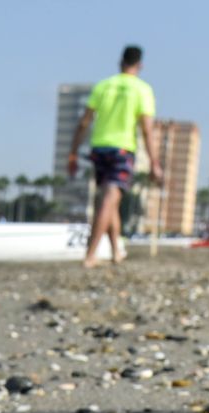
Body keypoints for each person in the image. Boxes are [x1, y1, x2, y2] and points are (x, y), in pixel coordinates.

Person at [67, 45, 161, 268]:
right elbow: (147, 130)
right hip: (122, 149)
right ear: (140, 65)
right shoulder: (142, 89)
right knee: (110, 198)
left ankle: (117, 250)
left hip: (99, 148)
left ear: (120, 62)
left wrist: (72, 152)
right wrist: (155, 162)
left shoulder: (104, 86)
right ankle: (91, 254)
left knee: (111, 201)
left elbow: (84, 122)